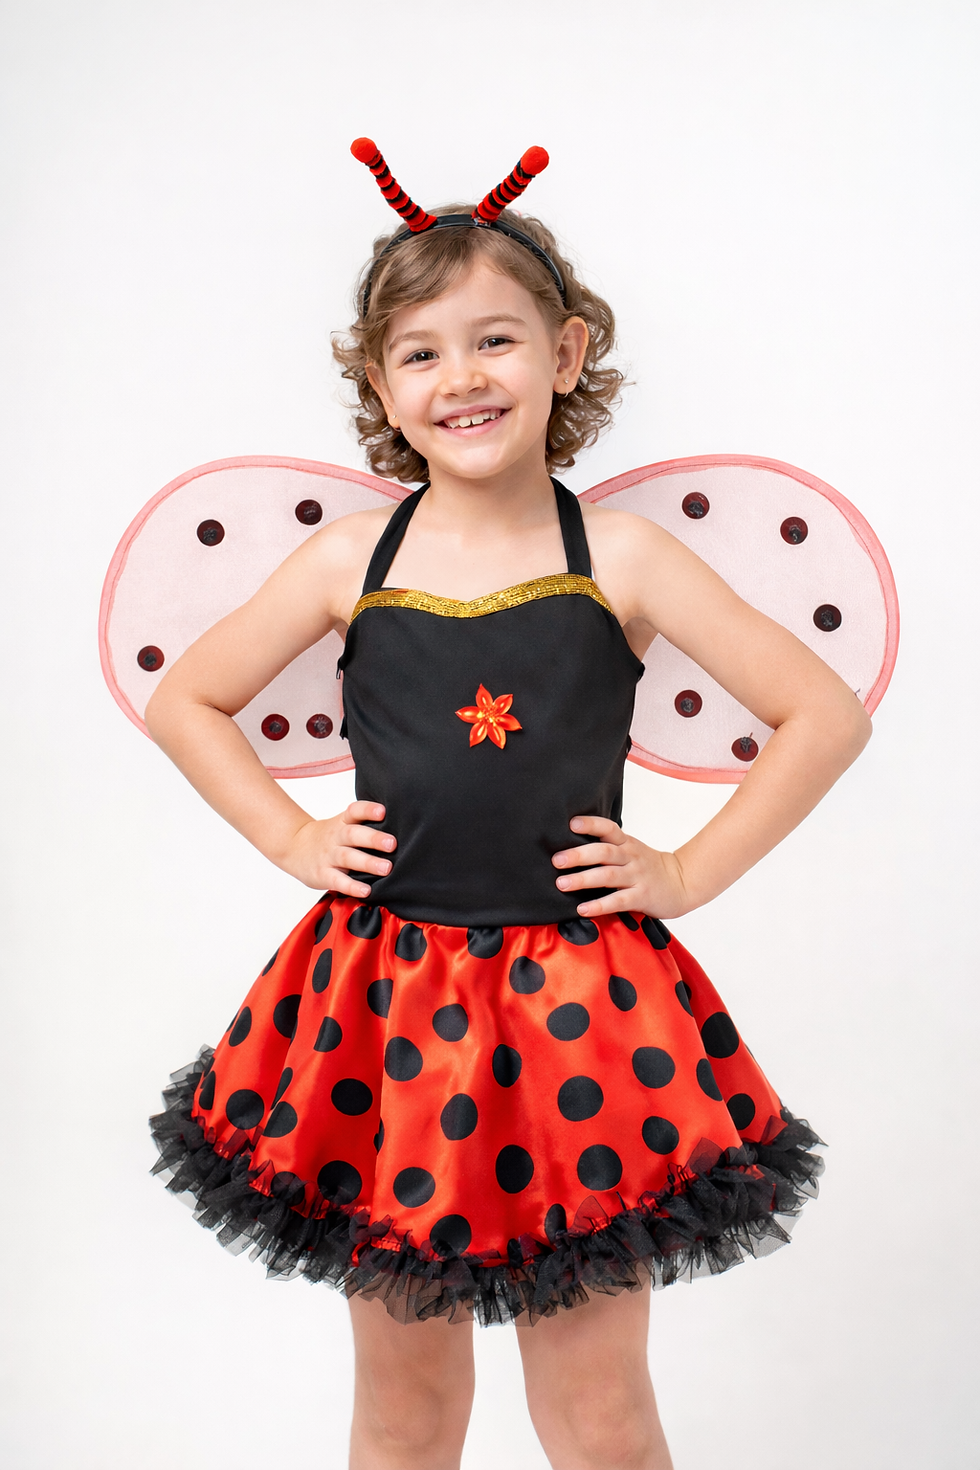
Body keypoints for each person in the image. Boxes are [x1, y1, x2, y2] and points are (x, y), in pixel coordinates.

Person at [145, 144, 868, 1470]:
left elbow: (825, 714)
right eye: (420, 353)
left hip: (585, 1013)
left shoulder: (624, 558)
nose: (461, 376)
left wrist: (688, 872)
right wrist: (289, 835)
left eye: (495, 339)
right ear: (381, 388)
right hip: (383, 1009)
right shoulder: (349, 561)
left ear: (567, 352)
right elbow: (186, 698)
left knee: (601, 1415)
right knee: (403, 1412)